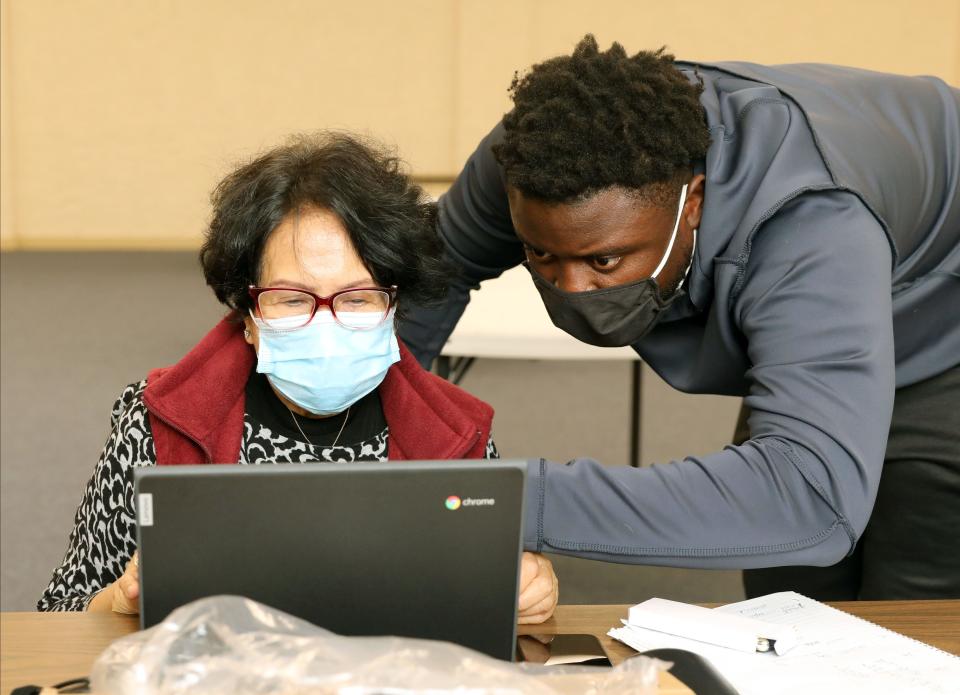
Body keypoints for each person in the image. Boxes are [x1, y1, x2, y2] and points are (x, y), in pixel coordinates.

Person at [398, 36, 960, 600]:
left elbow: (809, 500)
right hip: (846, 254)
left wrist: (495, 498)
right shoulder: (532, 160)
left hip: (943, 310)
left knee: (911, 590)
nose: (571, 289)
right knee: (790, 597)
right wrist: (378, 450)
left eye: (603, 259)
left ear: (691, 203)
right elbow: (427, 277)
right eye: (541, 254)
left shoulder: (808, 222)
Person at [39, 133, 559, 622]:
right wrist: (118, 603)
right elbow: (59, 611)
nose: (326, 324)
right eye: (291, 299)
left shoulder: (456, 434)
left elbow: (489, 611)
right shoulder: (155, 421)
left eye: (357, 299)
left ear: (394, 306)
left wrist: (530, 589)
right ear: (248, 315)